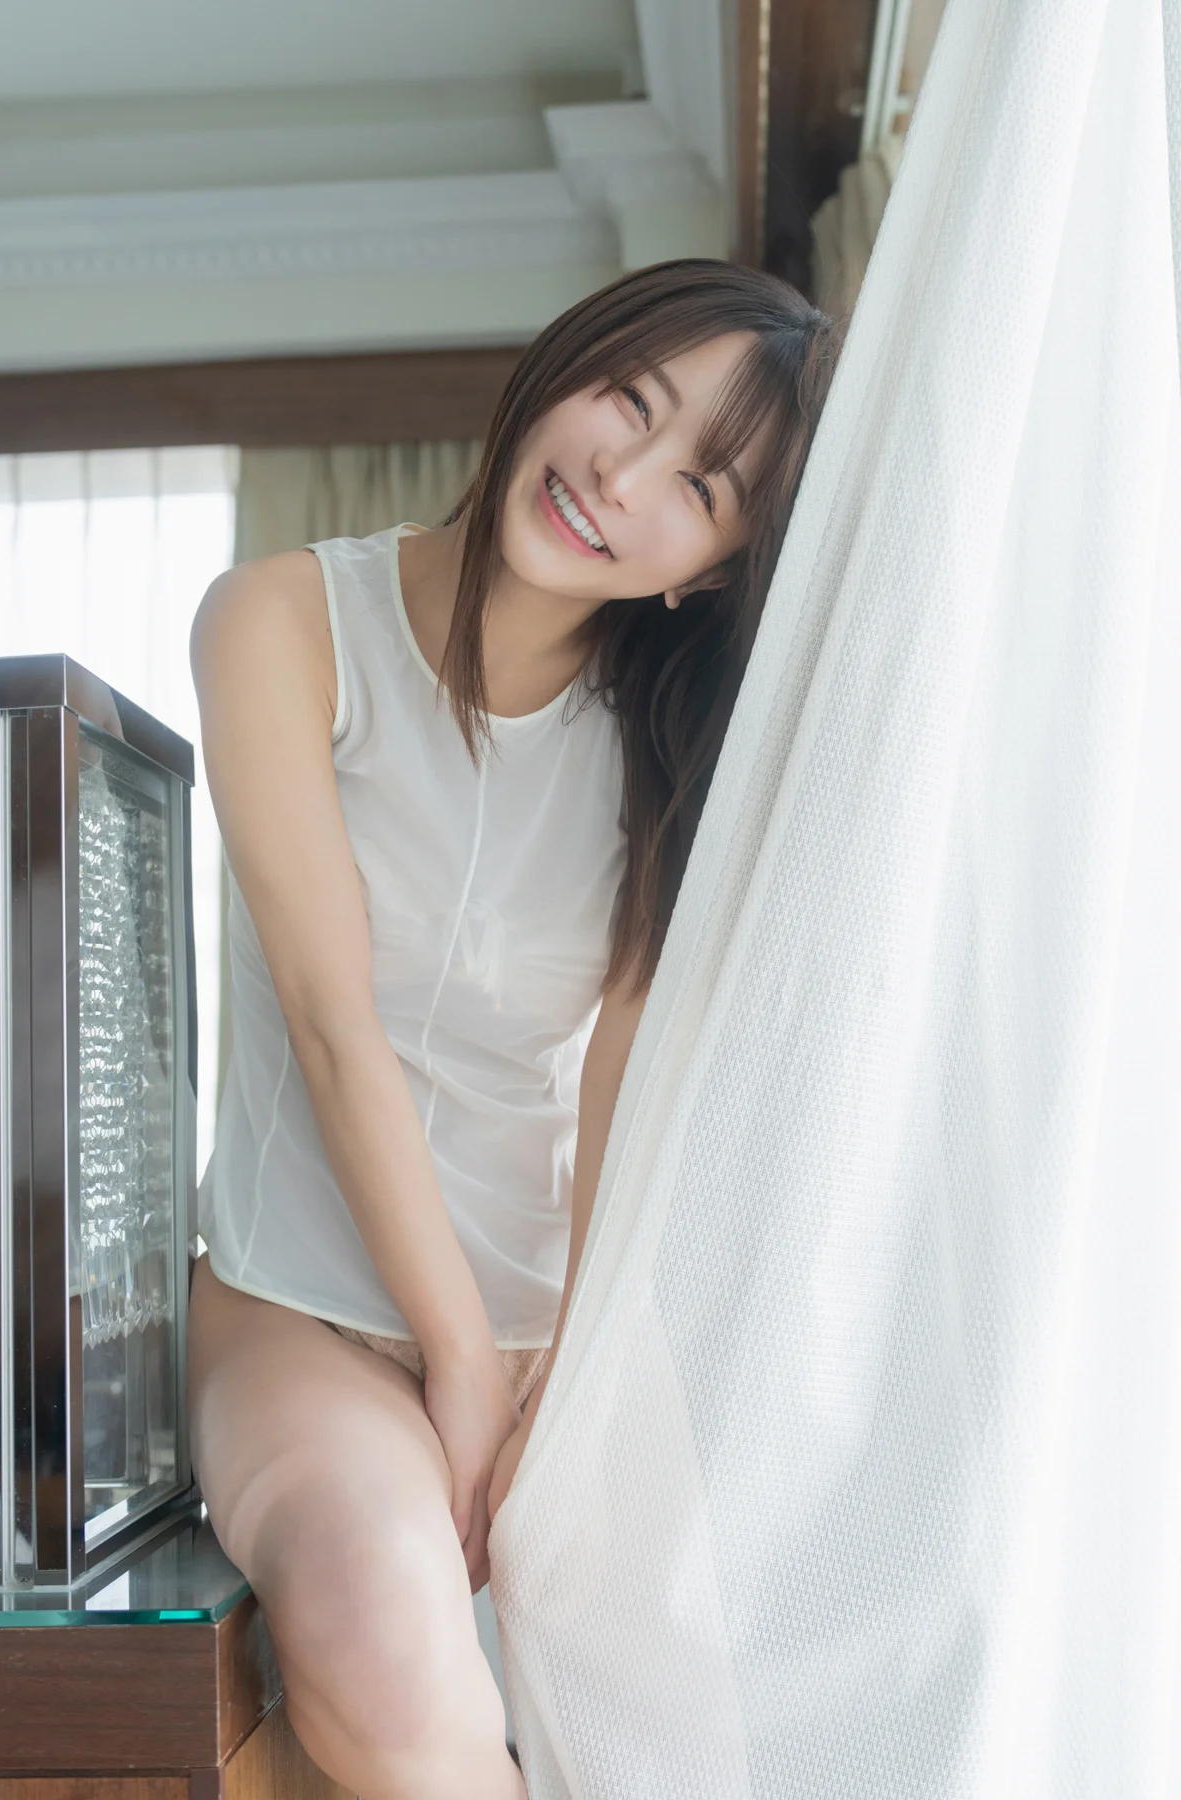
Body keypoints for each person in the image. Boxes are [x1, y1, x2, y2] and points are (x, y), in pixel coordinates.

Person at [187, 258, 838, 1800]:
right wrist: (461, 1368)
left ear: (713, 570)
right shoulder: (281, 619)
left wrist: (571, 1378)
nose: (620, 476)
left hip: (555, 1333)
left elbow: (617, 1072)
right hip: (302, 1314)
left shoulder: (671, 746)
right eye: (629, 398)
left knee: (707, 1716)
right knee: (385, 1644)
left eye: (699, 486)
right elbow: (333, 1025)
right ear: (565, 362)